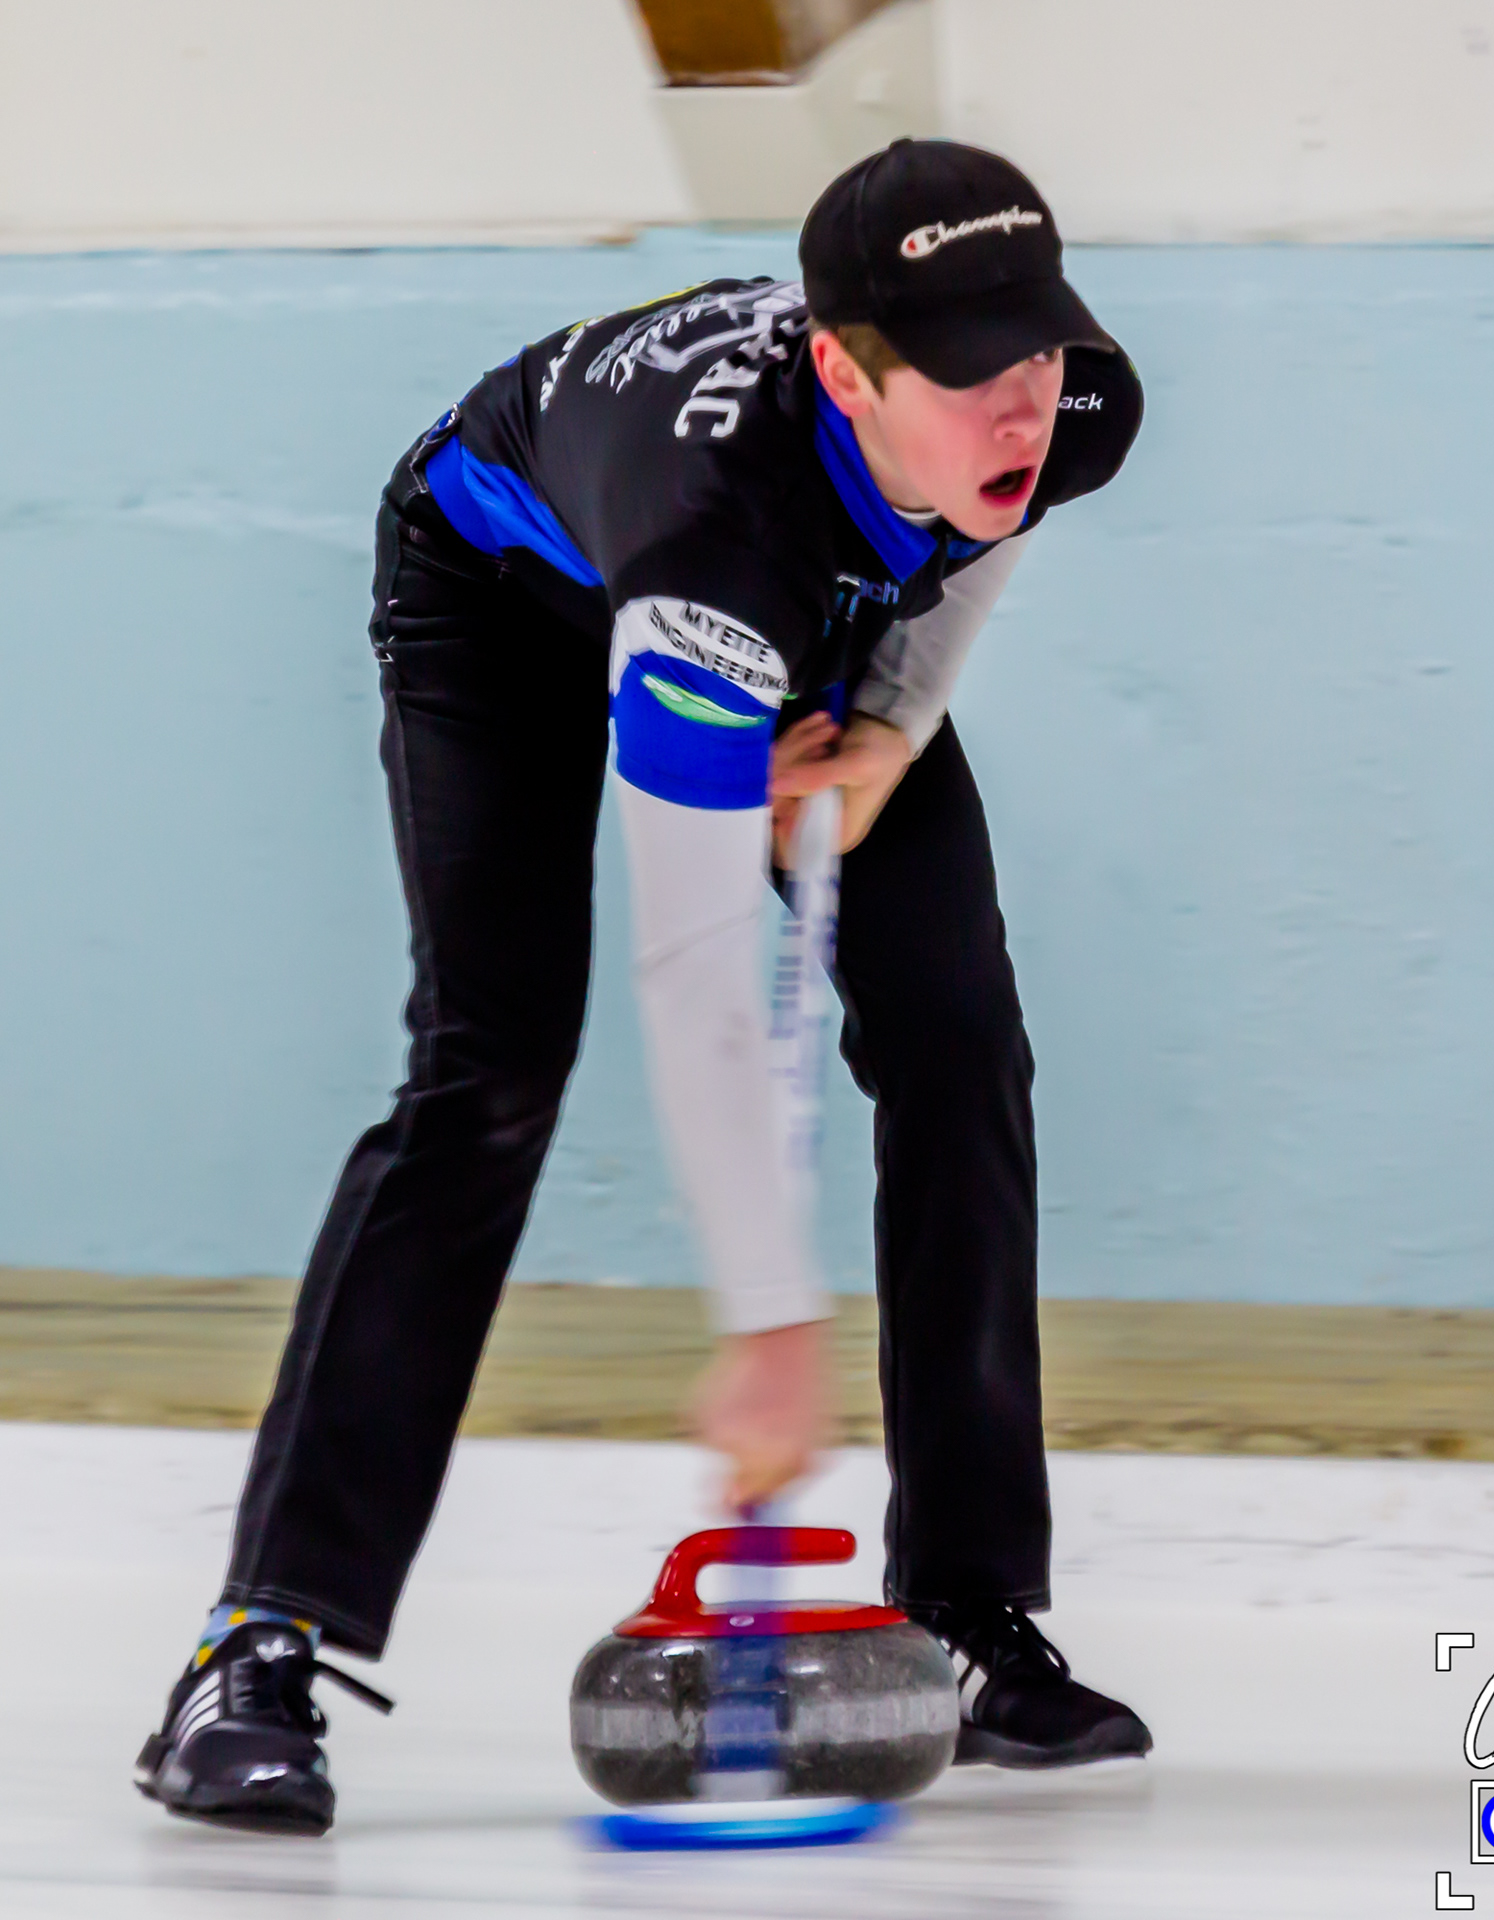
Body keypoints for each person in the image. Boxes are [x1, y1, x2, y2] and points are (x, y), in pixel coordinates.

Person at [134, 139, 1151, 1836]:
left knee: (960, 1034)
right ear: (847, 365)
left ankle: (969, 1614)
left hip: (815, 605)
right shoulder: (706, 547)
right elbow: (691, 967)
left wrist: (885, 731)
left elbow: (985, 528)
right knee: (491, 1069)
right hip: (511, 599)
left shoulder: (1055, 415)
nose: (1022, 410)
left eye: (1036, 353)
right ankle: (260, 1645)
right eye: (975, 375)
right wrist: (766, 1326)